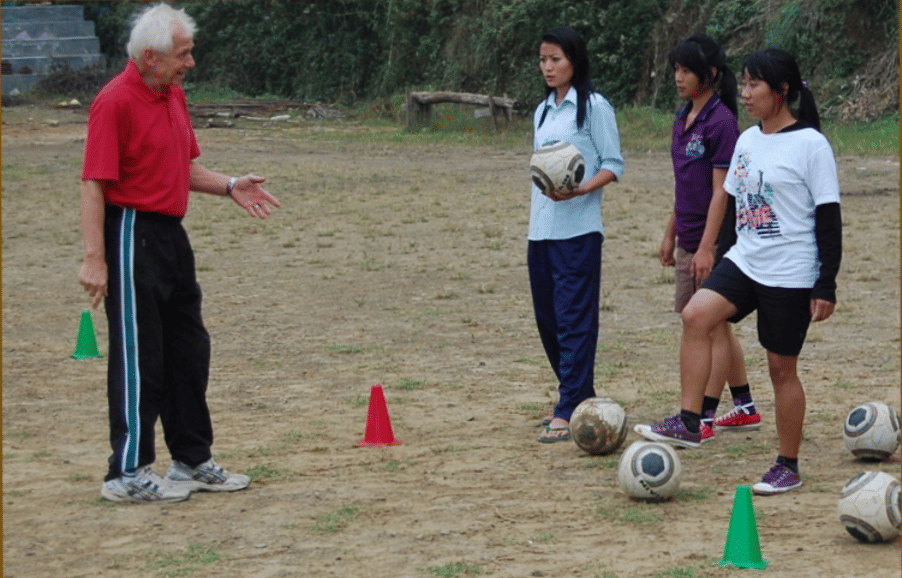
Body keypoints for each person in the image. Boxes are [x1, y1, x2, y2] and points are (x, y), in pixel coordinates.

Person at [79, 3, 281, 503]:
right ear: (150, 57)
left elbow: (182, 168)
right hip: (130, 234)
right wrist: (94, 258)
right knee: (139, 355)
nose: (190, 63)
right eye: (183, 55)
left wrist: (230, 185)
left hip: (171, 235)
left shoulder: (171, 94)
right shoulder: (114, 102)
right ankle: (126, 473)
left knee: (189, 349)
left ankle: (190, 459)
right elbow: (93, 183)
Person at [636, 48, 841, 495]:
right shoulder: (748, 139)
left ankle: (788, 464)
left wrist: (825, 283)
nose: (744, 93)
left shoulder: (811, 145)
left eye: (754, 86)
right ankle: (691, 421)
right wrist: (710, 249)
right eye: (743, 84)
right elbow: (727, 203)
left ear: (782, 91)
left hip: (790, 272)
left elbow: (829, 220)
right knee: (695, 315)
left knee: (781, 370)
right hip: (745, 260)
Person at [657, 34, 759, 443]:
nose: (679, 78)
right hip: (689, 237)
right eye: (676, 71)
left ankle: (700, 417)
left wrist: (706, 248)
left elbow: (722, 191)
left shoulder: (722, 122)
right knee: (715, 328)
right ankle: (745, 406)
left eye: (686, 71)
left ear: (710, 75)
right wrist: (671, 233)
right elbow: (686, 187)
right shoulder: (683, 119)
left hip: (713, 241)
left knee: (709, 325)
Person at [530, 27, 624, 443]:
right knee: (548, 320)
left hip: (579, 231)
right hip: (541, 231)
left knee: (573, 320)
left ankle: (568, 406)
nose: (548, 67)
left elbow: (613, 163)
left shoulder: (594, 107)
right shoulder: (542, 111)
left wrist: (583, 188)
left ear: (575, 61)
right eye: (543, 60)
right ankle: (580, 395)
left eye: (556, 60)